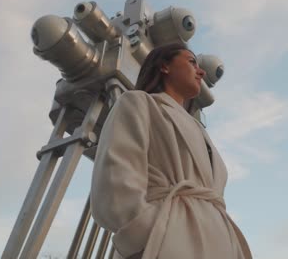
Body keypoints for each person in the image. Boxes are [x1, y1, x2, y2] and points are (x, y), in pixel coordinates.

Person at [91, 43, 252, 259]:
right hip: (167, 239)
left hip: (220, 243)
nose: (202, 71)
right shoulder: (138, 102)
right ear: (164, 66)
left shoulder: (199, 129)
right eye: (192, 62)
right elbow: (116, 176)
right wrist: (148, 231)